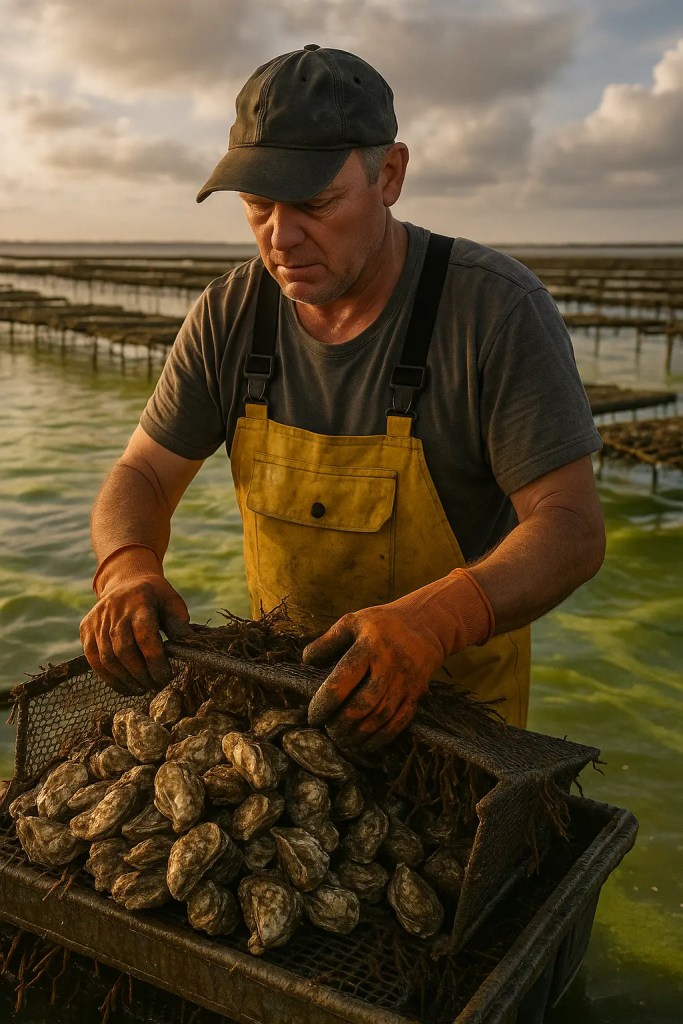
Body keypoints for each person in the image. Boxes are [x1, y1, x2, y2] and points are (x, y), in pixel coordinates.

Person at [80, 44, 605, 749]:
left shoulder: (495, 309)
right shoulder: (229, 313)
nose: (280, 237)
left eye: (314, 203)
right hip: (289, 708)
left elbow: (569, 527)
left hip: (455, 724)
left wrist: (436, 619)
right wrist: (126, 568)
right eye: (257, 205)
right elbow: (141, 473)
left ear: (388, 174)